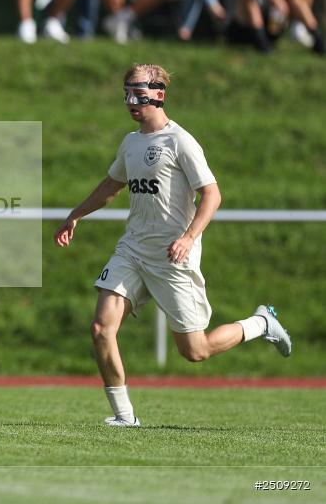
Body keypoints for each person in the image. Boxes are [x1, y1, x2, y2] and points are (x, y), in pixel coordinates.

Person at [54, 64, 292, 427]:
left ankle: (261, 323)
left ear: (158, 94)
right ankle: (124, 417)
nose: (131, 101)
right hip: (133, 249)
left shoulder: (180, 141)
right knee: (101, 328)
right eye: (127, 93)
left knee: (195, 352)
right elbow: (111, 185)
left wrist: (188, 237)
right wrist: (76, 214)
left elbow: (211, 194)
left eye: (139, 93)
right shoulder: (131, 143)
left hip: (171, 254)